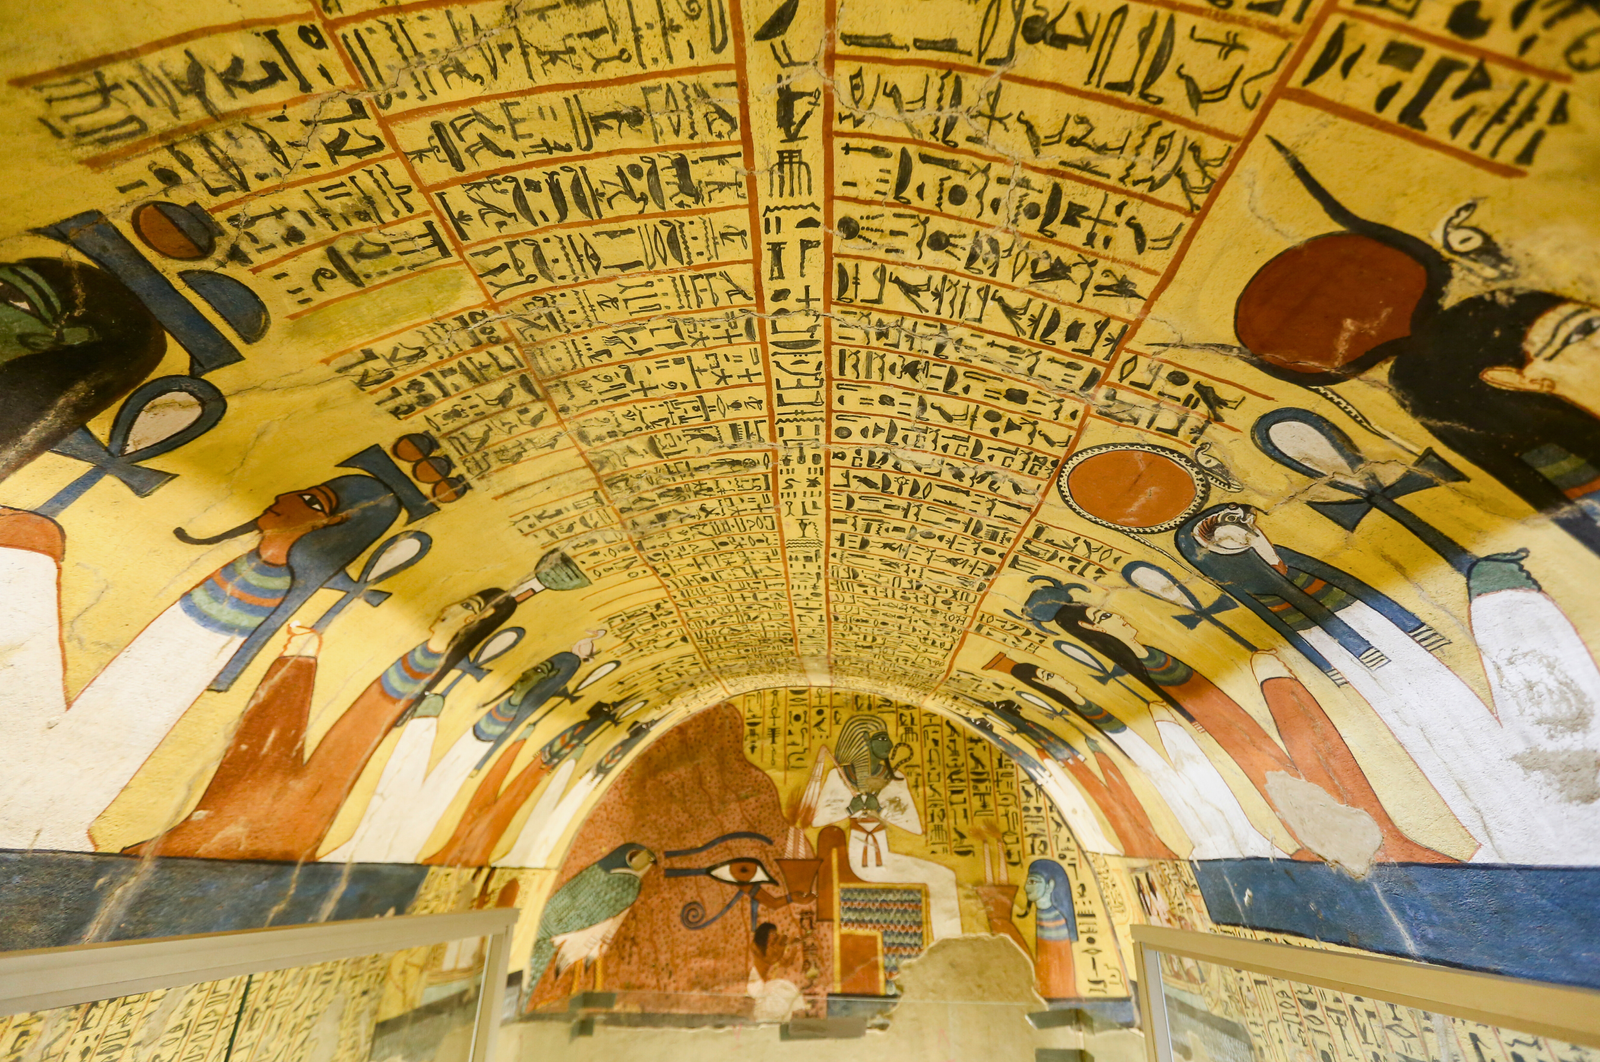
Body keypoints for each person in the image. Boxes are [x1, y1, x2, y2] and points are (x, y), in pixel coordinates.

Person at [0, 474, 402, 852]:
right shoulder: (256, 573)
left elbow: (155, 684)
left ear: (332, 526)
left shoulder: (267, 586)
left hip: (53, 787)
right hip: (47, 787)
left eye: (312, 502)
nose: (284, 497)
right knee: (32, 545)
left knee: (32, 546)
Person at [1027, 581, 1451, 865]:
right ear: (1089, 627)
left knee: (1296, 771)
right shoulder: (1138, 668)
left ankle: (1351, 837)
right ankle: (1330, 840)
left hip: (1237, 724)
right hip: (1228, 735)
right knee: (1279, 778)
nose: (1117, 617)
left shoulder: (1152, 653)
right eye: (1102, 618)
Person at [125, 588, 516, 862]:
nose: (457, 611)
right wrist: (299, 660)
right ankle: (301, 659)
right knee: (265, 748)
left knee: (308, 745)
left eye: (469, 609)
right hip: (242, 833)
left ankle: (301, 659)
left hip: (267, 837)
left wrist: (299, 660)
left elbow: (370, 719)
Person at [1021, 859, 1077, 999]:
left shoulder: (1054, 919)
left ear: (1050, 885)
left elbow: (1054, 974)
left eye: (1033, 882)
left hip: (1056, 995)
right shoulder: (1042, 914)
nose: (1026, 887)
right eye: (1028, 882)